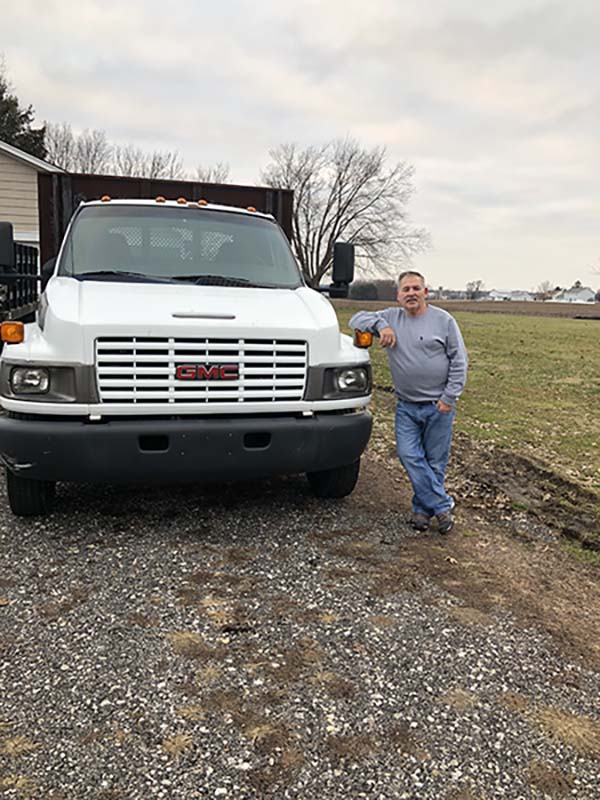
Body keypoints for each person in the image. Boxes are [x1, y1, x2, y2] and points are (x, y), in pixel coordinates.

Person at [349, 271, 468, 533]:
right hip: (406, 406)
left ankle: (421, 512)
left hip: (439, 405)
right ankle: (442, 505)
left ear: (425, 292)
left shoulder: (444, 320)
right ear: (398, 296)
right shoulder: (391, 317)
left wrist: (449, 398)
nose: (411, 293)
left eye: (416, 288)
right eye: (406, 289)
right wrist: (381, 326)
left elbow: (459, 360)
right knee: (409, 455)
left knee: (435, 462)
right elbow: (355, 319)